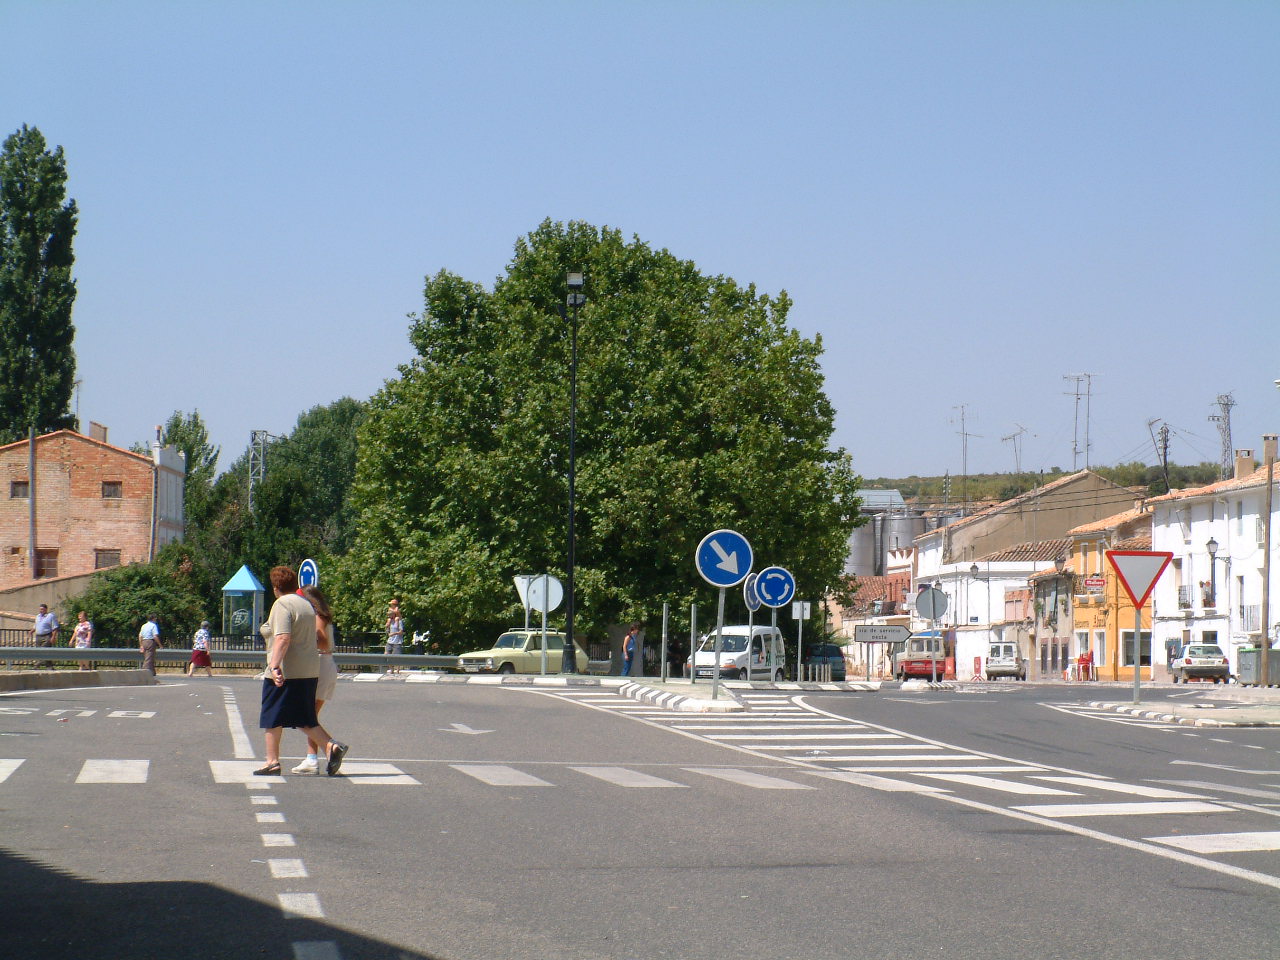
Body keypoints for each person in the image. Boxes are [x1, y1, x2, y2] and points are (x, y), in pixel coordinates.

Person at [255, 565, 348, 777]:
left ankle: (272, 762)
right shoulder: (306, 605)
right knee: (303, 717)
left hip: (287, 669)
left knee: (272, 716)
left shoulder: (282, 604)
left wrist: (275, 665)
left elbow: (283, 637)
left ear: (275, 587)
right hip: (309, 669)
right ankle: (331, 746)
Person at [292, 585, 339, 774]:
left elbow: (321, 639)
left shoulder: (317, 617)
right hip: (326, 663)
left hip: (319, 663)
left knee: (301, 715)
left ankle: (331, 747)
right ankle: (312, 758)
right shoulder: (323, 615)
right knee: (311, 717)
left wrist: (301, 642)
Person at [384, 599, 404, 675]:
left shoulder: (398, 617)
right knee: (387, 654)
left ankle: (397, 670)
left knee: (397, 656)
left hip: (397, 641)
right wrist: (387, 627)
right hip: (390, 641)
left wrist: (394, 633)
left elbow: (401, 632)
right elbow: (387, 628)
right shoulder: (390, 618)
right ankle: (391, 669)